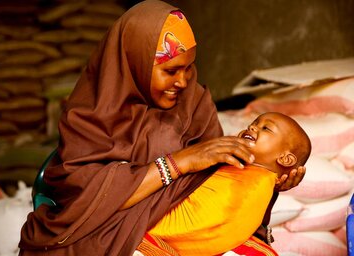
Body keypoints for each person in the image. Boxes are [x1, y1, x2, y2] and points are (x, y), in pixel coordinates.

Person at [19, 1, 306, 255]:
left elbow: (214, 186)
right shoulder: (89, 117)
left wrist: (268, 178)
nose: (182, 82)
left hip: (186, 231)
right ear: (134, 63)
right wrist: (180, 162)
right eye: (170, 71)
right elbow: (85, 199)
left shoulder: (194, 103)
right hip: (111, 229)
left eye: (189, 68)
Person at [143, 112, 312, 255]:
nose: (252, 127)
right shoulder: (228, 164)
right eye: (253, 123)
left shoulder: (260, 181)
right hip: (158, 226)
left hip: (171, 234)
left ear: (285, 159)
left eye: (265, 128)